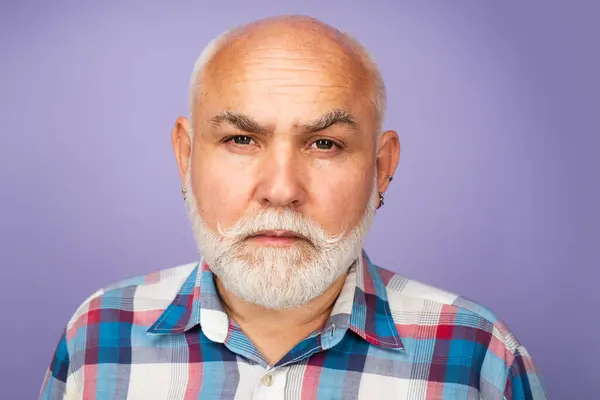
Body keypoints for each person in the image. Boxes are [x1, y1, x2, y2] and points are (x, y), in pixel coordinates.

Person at [39, 15, 547, 400]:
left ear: (382, 167)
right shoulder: (98, 335)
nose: (281, 190)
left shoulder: (479, 357)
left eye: (324, 144)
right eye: (241, 139)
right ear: (186, 156)